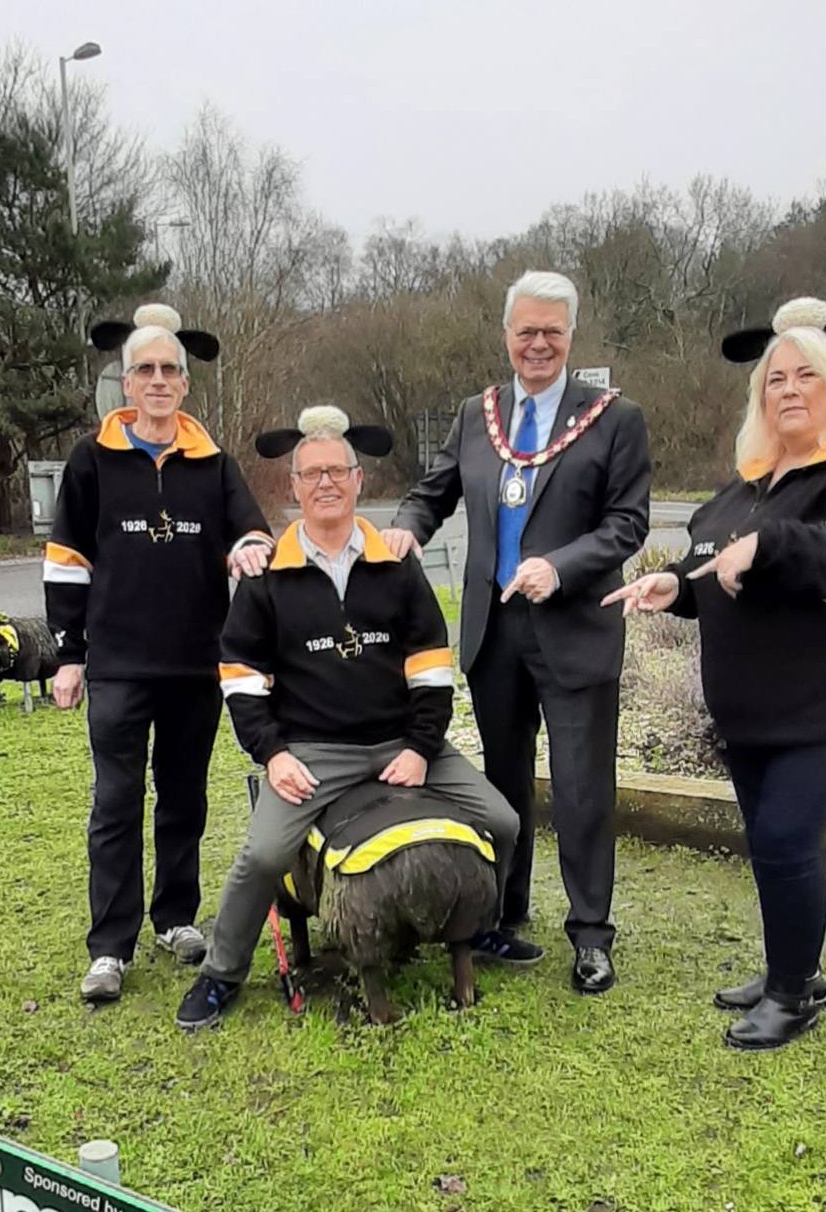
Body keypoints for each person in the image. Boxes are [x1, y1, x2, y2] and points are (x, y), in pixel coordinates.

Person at [603, 296, 826, 1051]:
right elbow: (716, 563)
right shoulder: (749, 482)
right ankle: (792, 967)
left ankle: (793, 993)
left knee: (783, 837)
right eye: (775, 379)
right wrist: (675, 585)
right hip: (748, 706)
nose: (788, 389)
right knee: (770, 840)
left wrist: (769, 547)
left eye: (806, 375)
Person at [176, 406, 522, 1030]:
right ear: (293, 487)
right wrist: (273, 754)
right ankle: (221, 974)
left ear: (359, 481)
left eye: (337, 470)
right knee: (262, 856)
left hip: (403, 741)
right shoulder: (266, 575)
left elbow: (432, 667)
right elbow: (242, 677)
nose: (326, 483)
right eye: (312, 474)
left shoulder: (395, 561)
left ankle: (480, 926)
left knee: (503, 819)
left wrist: (421, 747)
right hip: (315, 753)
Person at [383, 270, 650, 994]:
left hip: (574, 630)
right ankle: (505, 909)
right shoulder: (479, 413)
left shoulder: (613, 418)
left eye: (551, 332)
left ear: (571, 336)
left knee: (580, 788)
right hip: (494, 631)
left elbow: (627, 524)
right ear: (506, 335)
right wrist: (406, 530)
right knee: (503, 785)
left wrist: (558, 567)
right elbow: (433, 488)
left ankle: (591, 934)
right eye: (526, 331)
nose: (538, 343)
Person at [45, 303, 274, 1004]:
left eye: (169, 370)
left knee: (183, 799)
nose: (157, 380)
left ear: (184, 383)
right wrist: (68, 653)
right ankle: (110, 946)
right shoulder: (91, 461)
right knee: (115, 804)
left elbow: (251, 532)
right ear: (124, 380)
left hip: (194, 664)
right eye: (143, 369)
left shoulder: (215, 464)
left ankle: (175, 917)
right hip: (116, 665)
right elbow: (66, 561)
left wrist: (250, 546)